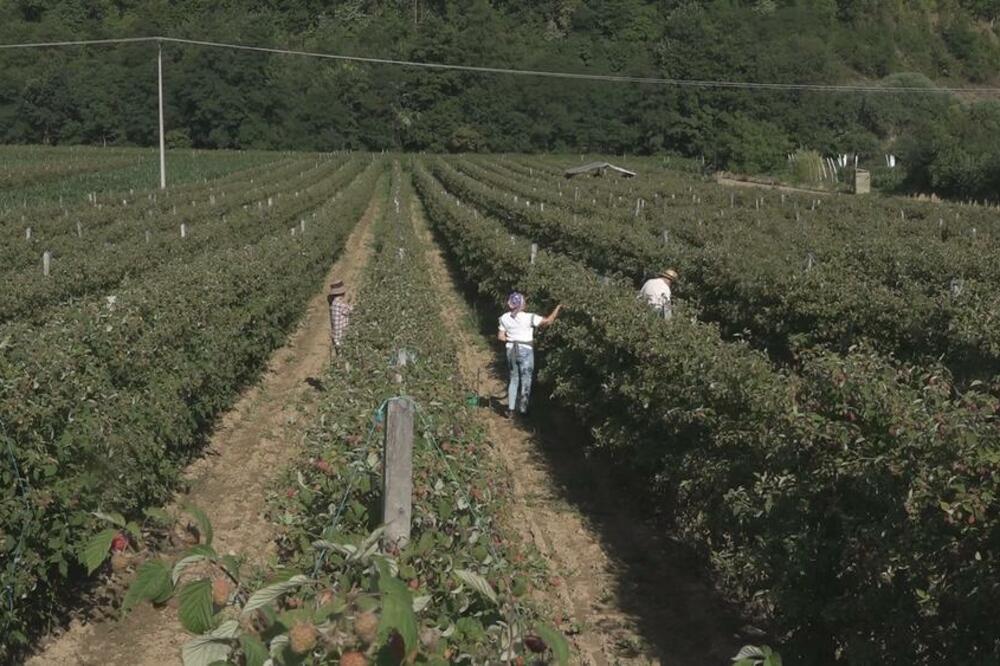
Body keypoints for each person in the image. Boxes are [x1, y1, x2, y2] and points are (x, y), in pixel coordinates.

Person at [497, 292, 561, 419]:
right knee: (526, 380)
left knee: (513, 379)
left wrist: (510, 339)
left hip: (511, 350)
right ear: (522, 304)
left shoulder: (504, 318)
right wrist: (558, 308)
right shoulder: (529, 317)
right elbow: (548, 322)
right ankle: (523, 410)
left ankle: (510, 410)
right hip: (525, 349)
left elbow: (500, 336)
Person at [328, 280, 352, 354]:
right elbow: (350, 310)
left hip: (336, 335)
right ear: (342, 293)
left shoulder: (334, 303)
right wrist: (348, 301)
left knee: (340, 354)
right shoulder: (340, 304)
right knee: (345, 354)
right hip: (342, 335)